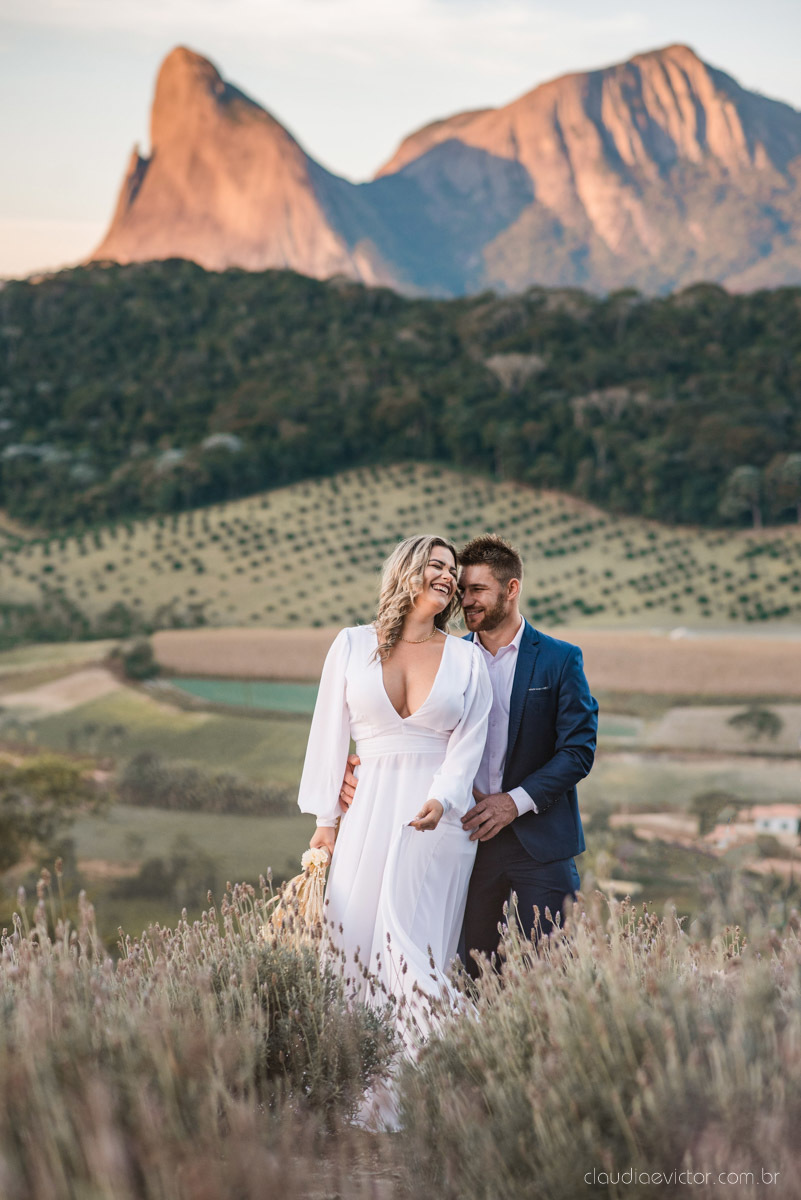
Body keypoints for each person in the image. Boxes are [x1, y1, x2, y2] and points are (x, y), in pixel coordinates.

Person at [340, 533, 598, 975]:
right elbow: (416, 736)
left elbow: (578, 751)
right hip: (465, 842)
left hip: (541, 845)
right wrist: (362, 768)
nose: (466, 601)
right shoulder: (451, 659)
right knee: (470, 974)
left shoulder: (559, 659)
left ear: (511, 589)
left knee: (557, 973)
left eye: (477, 590)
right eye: (462, 591)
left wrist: (512, 803)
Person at [297, 533, 492, 1013]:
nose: (448, 576)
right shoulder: (351, 645)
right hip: (365, 814)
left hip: (437, 823)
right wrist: (326, 820)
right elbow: (328, 733)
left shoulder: (467, 659)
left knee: (417, 957)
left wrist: (444, 798)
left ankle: (419, 1080)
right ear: (405, 570)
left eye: (453, 571)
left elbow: (470, 744)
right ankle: (350, 1076)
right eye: (436, 565)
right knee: (350, 948)